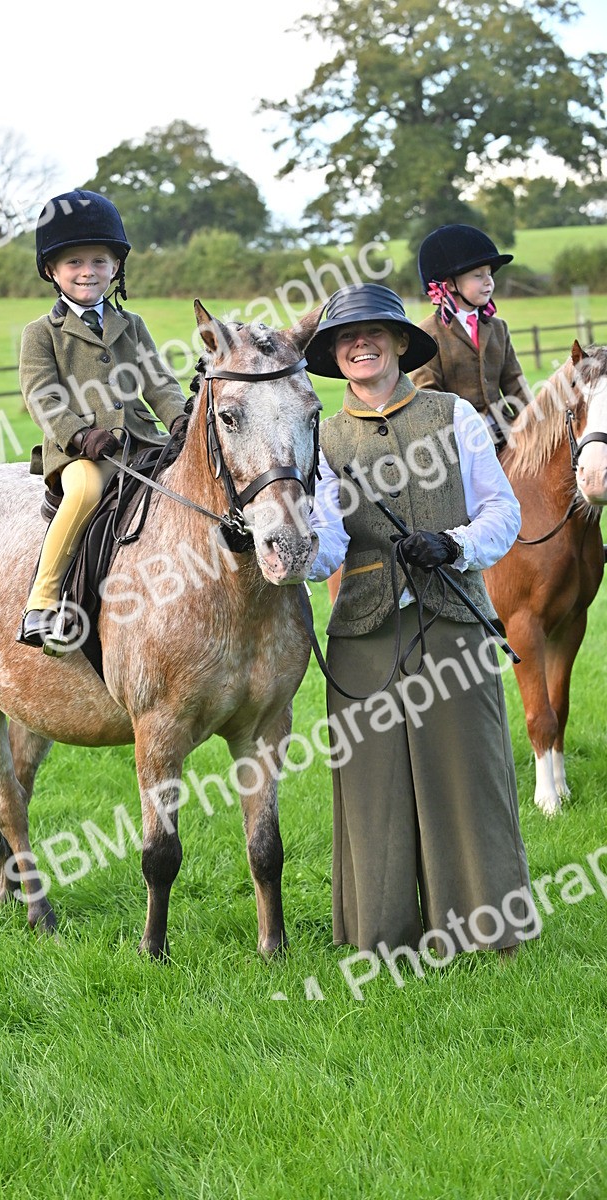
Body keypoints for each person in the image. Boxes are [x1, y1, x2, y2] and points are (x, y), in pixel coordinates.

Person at [306, 283, 538, 959]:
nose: (360, 344)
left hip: (451, 616)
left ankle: (486, 930)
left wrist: (455, 544)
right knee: (371, 787)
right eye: (346, 338)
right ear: (334, 356)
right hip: (364, 629)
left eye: (374, 332)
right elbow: (325, 543)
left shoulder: (453, 415)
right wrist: (288, 550)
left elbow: (502, 510)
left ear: (400, 342)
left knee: (470, 774)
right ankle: (381, 937)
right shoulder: (322, 438)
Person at [17, 189, 187, 650]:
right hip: (80, 452)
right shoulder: (41, 333)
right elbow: (41, 396)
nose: (87, 271)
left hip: (141, 442)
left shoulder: (131, 324)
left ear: (115, 267)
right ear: (52, 271)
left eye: (98, 260)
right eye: (74, 263)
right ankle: (43, 603)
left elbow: (159, 381)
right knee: (87, 492)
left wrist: (179, 421)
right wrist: (80, 434)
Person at [410, 224, 532, 452]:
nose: (489, 281)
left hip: (504, 432)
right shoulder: (427, 334)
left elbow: (515, 383)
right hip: (457, 441)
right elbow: (428, 395)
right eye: (478, 275)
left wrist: (534, 421)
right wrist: (466, 425)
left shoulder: (498, 328)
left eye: (490, 274)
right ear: (448, 285)